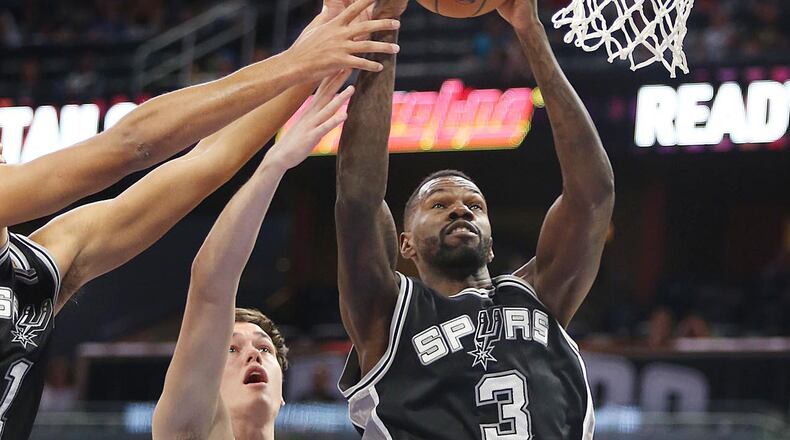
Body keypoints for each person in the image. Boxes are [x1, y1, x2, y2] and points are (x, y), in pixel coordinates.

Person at [0, 1, 400, 438]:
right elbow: (133, 144)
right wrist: (298, 62)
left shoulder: (44, 261)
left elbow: (207, 160)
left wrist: (327, 38)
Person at [334, 0, 614, 438]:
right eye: (438, 205)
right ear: (405, 243)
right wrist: (384, 28)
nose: (461, 209)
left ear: (491, 239)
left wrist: (530, 31)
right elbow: (357, 200)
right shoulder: (388, 312)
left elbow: (593, 196)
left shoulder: (539, 295)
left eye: (475, 205)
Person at [152, 68, 356, 440]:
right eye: (231, 348)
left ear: (282, 394)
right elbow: (211, 284)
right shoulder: (183, 430)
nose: (254, 354)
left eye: (264, 349)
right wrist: (274, 164)